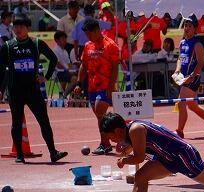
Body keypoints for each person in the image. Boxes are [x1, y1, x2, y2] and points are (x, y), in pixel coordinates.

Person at [0, 14, 68, 163]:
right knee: (16, 122)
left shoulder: (36, 43)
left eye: (21, 27)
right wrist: (1, 89)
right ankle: (19, 155)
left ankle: (53, 152)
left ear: (28, 28)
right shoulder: (8, 46)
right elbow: (1, 69)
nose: (18, 29)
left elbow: (53, 59)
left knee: (44, 121)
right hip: (15, 91)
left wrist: (46, 77)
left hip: (33, 90)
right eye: (15, 27)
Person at [73, 18, 119, 155]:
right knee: (100, 116)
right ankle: (110, 140)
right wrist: (79, 83)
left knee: (100, 111)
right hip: (92, 87)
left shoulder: (110, 45)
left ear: (97, 31)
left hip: (105, 86)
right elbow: (83, 65)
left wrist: (111, 86)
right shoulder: (88, 45)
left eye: (89, 34)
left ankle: (105, 143)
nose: (87, 37)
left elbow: (116, 67)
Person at [173, 16, 204, 139]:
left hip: (193, 78)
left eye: (189, 26)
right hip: (183, 77)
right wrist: (177, 70)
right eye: (185, 25)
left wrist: (192, 76)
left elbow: (201, 62)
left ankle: (179, 131)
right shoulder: (182, 42)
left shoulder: (197, 44)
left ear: (195, 29)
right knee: (192, 106)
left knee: (181, 102)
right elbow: (180, 58)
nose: (186, 28)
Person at [53, 30, 78, 98]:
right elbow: (57, 65)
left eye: (65, 38)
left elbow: (69, 64)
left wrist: (73, 69)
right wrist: (68, 70)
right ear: (57, 40)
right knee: (75, 79)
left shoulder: (65, 51)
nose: (65, 40)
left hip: (65, 72)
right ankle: (64, 95)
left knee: (79, 75)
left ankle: (73, 95)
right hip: (58, 73)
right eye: (63, 38)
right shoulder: (55, 51)